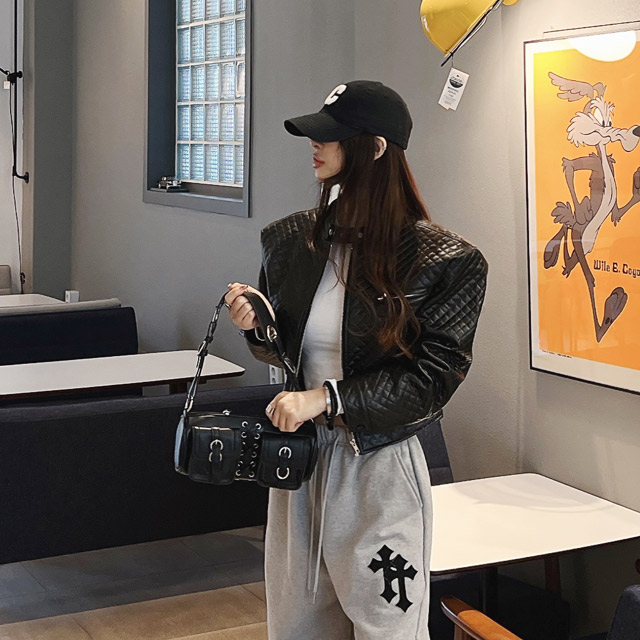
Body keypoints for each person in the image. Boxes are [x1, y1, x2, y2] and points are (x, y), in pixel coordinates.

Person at [224, 80, 488, 640]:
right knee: (297, 626)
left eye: (332, 136)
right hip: (297, 461)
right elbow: (289, 352)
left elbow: (431, 380)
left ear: (375, 148)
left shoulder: (447, 260)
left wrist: (327, 399)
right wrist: (259, 329)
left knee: (386, 628)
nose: (315, 145)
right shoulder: (290, 241)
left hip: (379, 466)